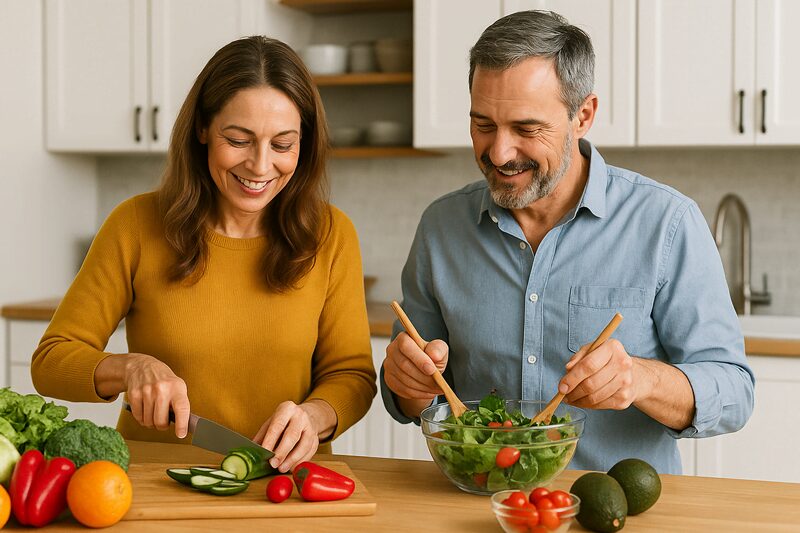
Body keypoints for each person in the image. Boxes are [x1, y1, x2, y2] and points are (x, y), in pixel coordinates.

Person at [380, 11, 754, 474]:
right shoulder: (441, 227)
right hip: (479, 505)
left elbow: (735, 391)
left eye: (527, 129)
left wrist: (639, 380)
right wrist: (405, 385)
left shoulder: (666, 223)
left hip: (615, 508)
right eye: (483, 124)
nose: (499, 152)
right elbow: (414, 394)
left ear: (584, 115)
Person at [32, 36, 377, 473]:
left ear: (303, 145)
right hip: (150, 477)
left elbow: (353, 376)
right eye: (238, 139)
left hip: (281, 484)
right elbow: (50, 361)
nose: (260, 165)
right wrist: (129, 368)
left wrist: (316, 416)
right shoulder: (136, 224)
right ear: (202, 130)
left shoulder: (331, 234)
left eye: (283, 145)